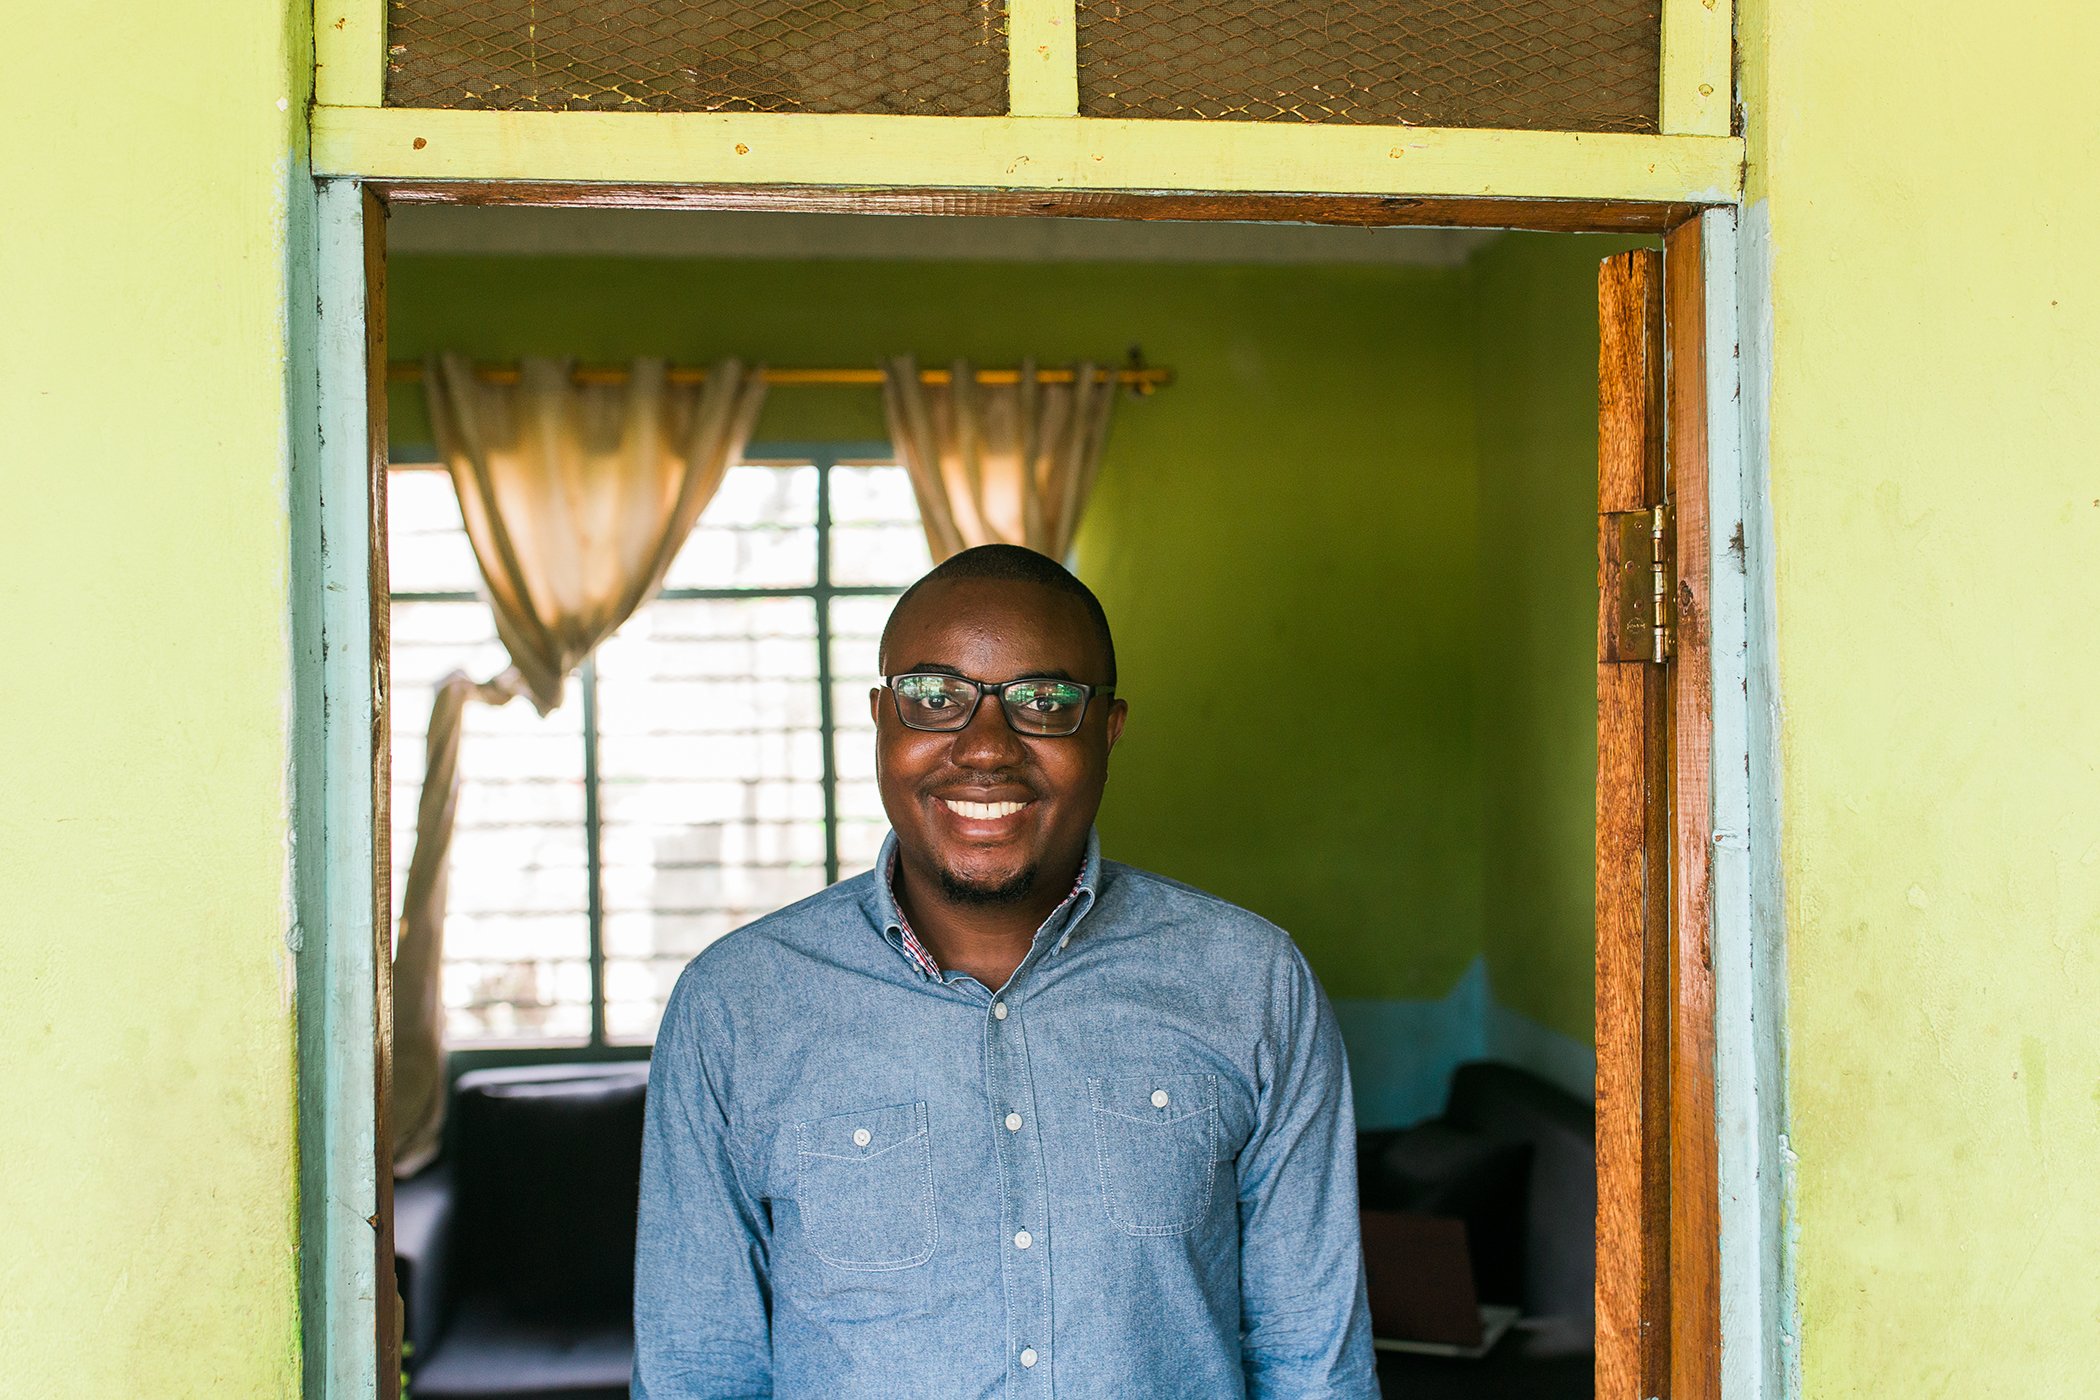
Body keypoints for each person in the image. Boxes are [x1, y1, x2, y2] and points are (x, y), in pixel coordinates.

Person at [634, 544, 1375, 1399]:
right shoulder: (736, 1006)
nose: (986, 747)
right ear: (881, 719)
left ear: (1108, 730)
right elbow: (698, 1375)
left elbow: (1314, 1366)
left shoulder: (1253, 984)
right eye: (934, 698)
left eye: (1044, 702)